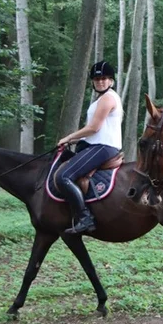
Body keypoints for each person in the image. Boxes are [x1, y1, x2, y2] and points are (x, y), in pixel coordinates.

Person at [55, 61, 123, 235]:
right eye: (97, 78)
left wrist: (69, 137)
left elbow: (94, 128)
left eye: (105, 78)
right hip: (95, 145)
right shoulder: (101, 99)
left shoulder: (108, 98)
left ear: (111, 81)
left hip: (104, 146)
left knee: (63, 176)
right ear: (93, 81)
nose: (101, 81)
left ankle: (85, 218)